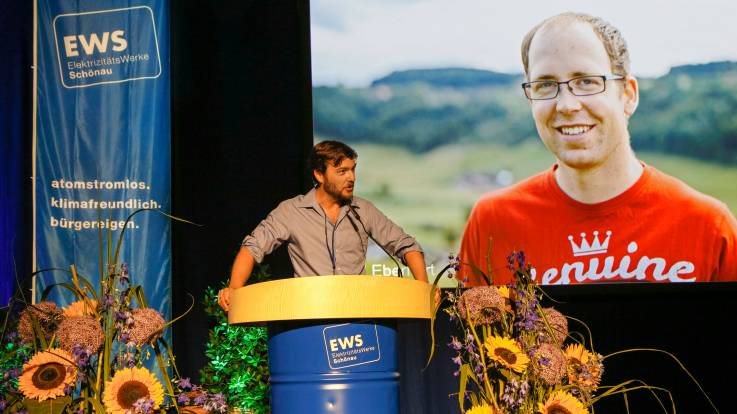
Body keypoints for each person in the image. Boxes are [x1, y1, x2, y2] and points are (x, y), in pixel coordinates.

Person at [459, 12, 737, 285]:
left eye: (587, 82)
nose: (567, 105)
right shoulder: (493, 224)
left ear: (628, 95)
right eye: (545, 85)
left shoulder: (709, 227)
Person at [218, 140, 428, 310]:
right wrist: (234, 289)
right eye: (342, 171)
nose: (351, 178)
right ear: (319, 174)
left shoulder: (363, 210)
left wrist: (423, 289)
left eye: (353, 170)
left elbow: (407, 246)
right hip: (310, 315)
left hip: (359, 316)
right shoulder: (292, 211)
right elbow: (252, 248)